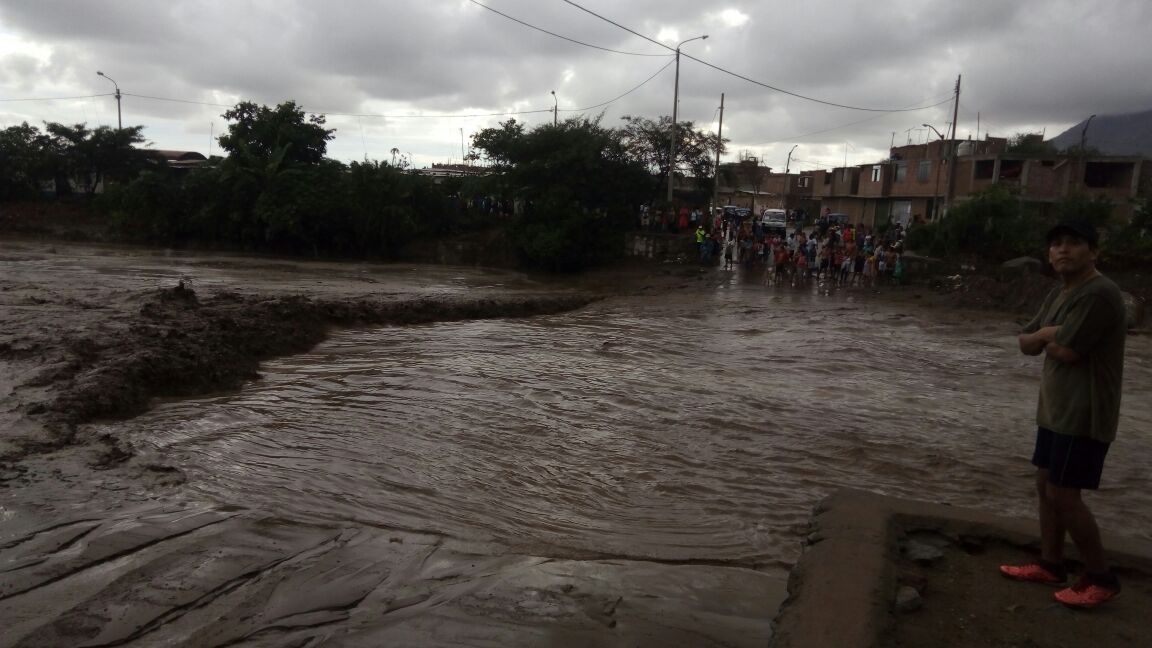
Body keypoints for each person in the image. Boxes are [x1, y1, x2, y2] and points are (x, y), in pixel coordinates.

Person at [999, 221, 1127, 609]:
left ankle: (1100, 577)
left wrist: (1047, 338)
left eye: (1074, 243)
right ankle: (1050, 564)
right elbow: (1026, 342)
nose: (1063, 250)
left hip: (1084, 413)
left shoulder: (1099, 294)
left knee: (1064, 494)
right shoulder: (1061, 292)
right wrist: (1048, 334)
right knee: (1045, 486)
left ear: (1094, 252)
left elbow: (1068, 352)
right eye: (1056, 244)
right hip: (1055, 410)